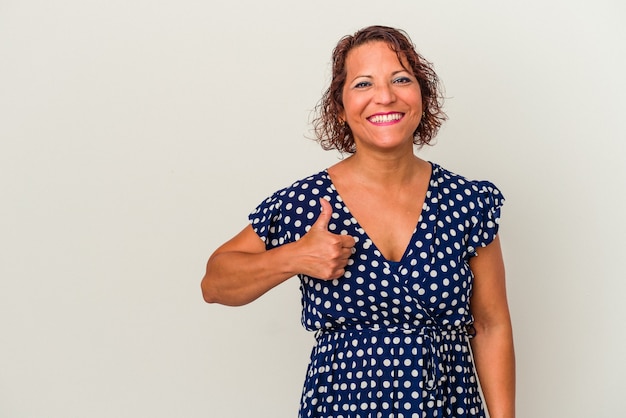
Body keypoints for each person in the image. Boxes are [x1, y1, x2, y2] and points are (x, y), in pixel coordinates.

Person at [201, 25, 515, 418]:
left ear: (422, 95)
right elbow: (214, 283)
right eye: (363, 84)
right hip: (342, 407)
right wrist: (294, 257)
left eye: (401, 79)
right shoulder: (306, 204)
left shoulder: (467, 203)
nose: (385, 96)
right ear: (340, 107)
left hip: (449, 407)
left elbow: (490, 325)